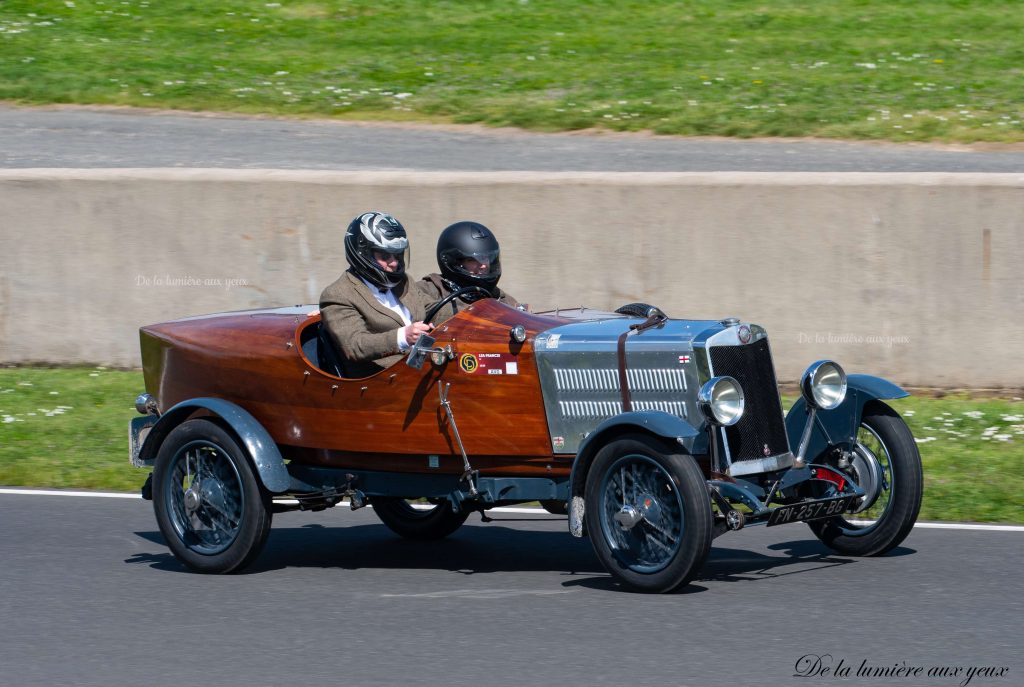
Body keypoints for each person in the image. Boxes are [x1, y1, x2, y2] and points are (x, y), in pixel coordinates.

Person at [320, 211, 434, 378]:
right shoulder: (338, 295)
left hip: (425, 371)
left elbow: (435, 308)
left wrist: (478, 312)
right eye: (385, 256)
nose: (394, 263)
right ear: (362, 254)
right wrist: (403, 336)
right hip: (381, 384)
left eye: (397, 255)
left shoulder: (404, 282)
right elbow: (355, 345)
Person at [419, 221, 519, 320]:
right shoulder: (427, 291)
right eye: (472, 260)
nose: (483, 265)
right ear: (454, 262)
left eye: (485, 258)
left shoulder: (501, 298)